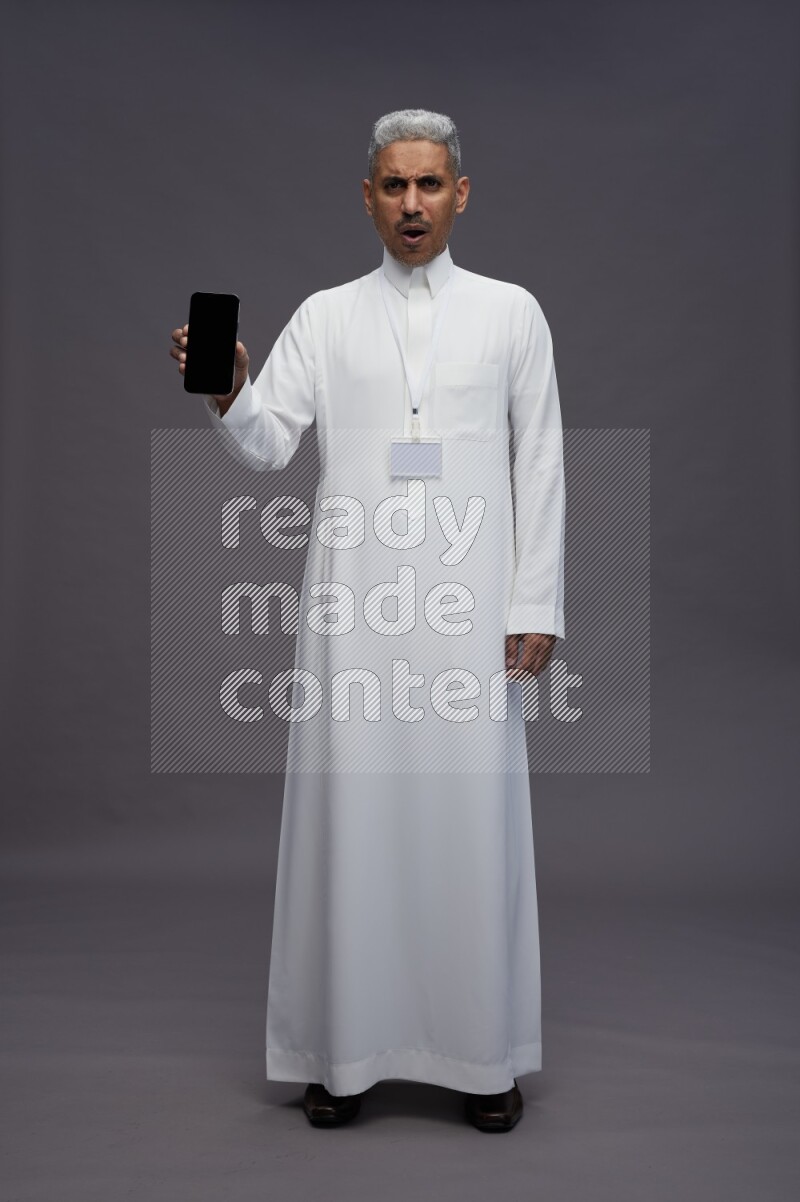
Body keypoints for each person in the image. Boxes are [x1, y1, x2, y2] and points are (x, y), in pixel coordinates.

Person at [169, 109, 566, 1133]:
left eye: (428, 185)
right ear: (366, 197)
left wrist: (535, 603)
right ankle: (337, 1054)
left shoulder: (511, 313)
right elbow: (265, 446)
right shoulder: (327, 316)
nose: (410, 204)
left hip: (469, 601)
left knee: (468, 820)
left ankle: (481, 1057)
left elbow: (541, 463)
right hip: (354, 609)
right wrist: (226, 387)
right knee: (353, 818)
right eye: (392, 186)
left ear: (460, 193)